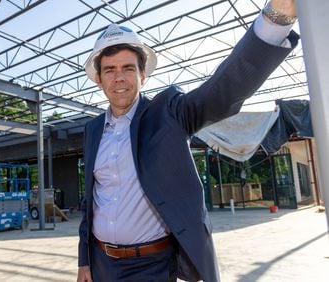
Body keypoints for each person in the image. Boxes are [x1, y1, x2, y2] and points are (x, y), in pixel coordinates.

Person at [77, 1, 299, 281]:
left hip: (153, 266)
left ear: (143, 75)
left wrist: (277, 17)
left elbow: (221, 91)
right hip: (101, 265)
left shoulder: (168, 113)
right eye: (109, 69)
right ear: (98, 78)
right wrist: (84, 261)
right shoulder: (93, 129)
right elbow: (90, 201)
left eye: (128, 68)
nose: (119, 77)